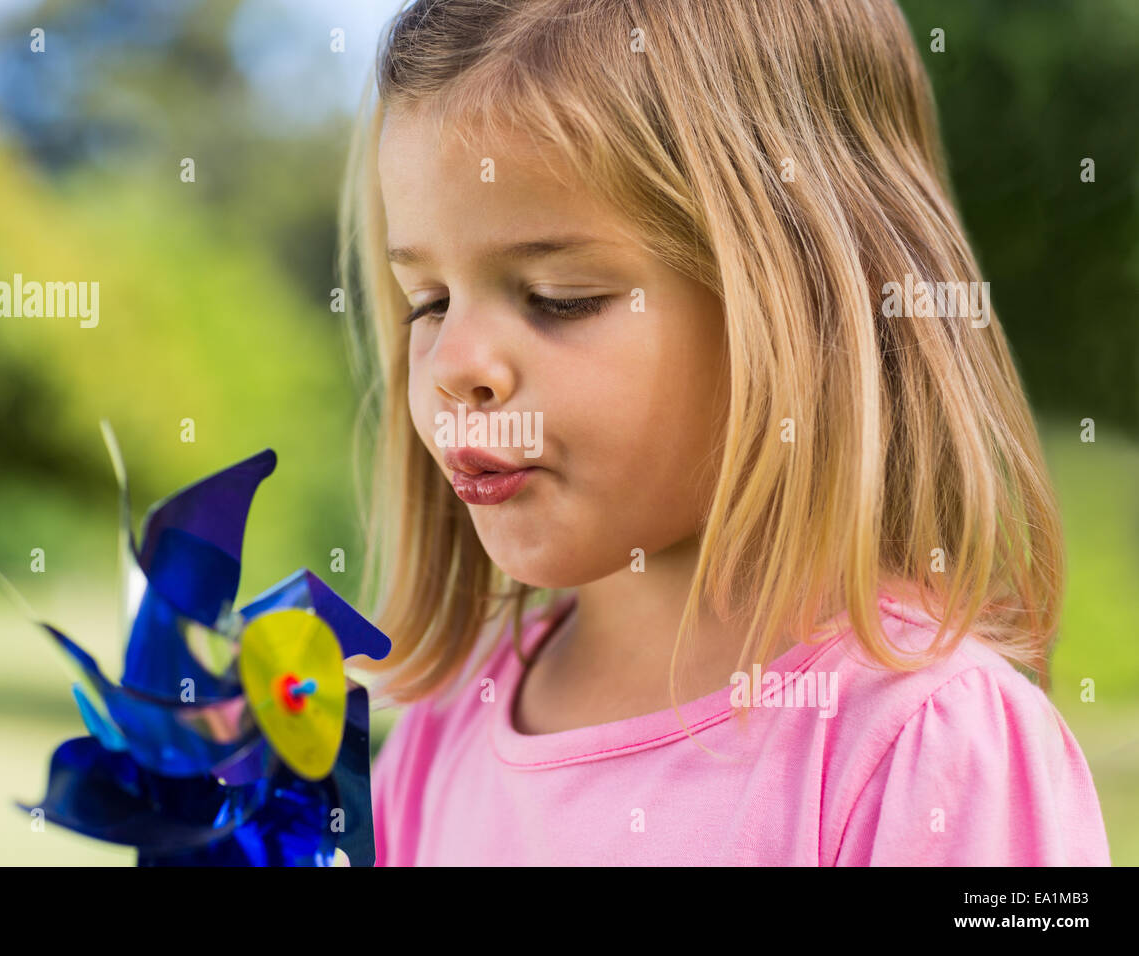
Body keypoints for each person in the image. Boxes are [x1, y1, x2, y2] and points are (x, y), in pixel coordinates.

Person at [337, 0, 1111, 865]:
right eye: (429, 303)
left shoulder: (927, 741)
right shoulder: (440, 733)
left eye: (561, 297)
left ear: (809, 296)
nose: (454, 364)